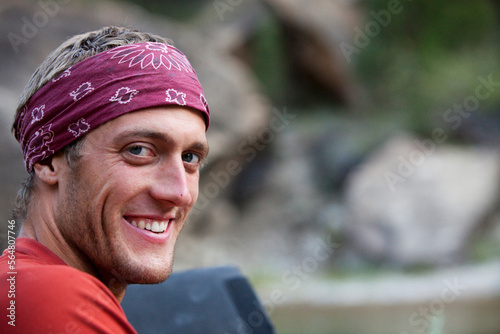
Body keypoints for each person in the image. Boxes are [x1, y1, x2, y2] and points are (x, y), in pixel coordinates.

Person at [0, 26, 210, 333]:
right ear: (47, 159)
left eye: (190, 157)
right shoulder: (51, 296)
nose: (179, 193)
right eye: (138, 150)